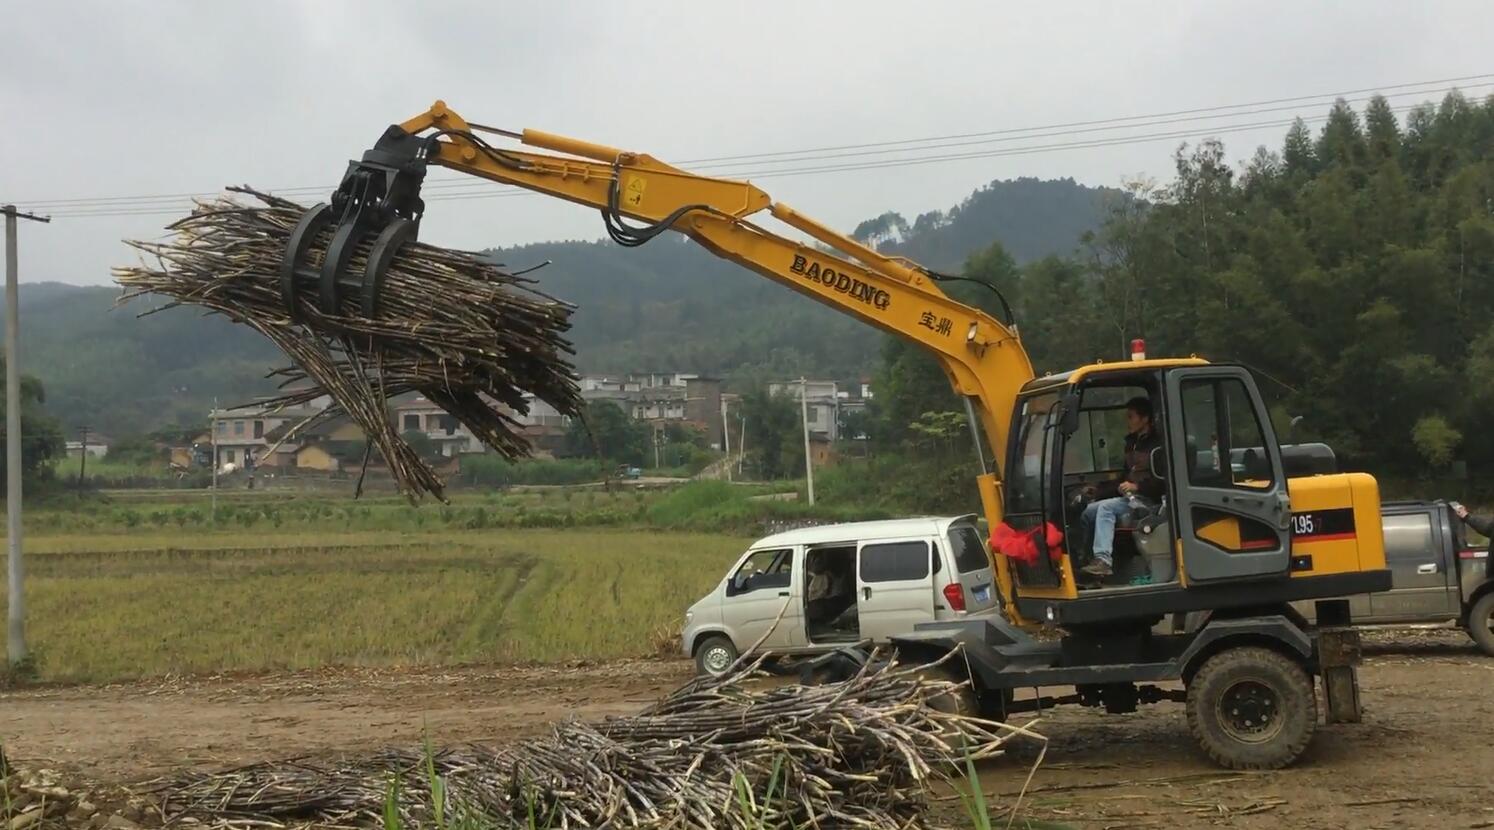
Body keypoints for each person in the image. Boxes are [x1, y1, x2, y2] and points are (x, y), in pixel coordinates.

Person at [1079, 396, 1165, 579]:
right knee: (1089, 511)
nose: (1128, 422)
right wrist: (1098, 491)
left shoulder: (1159, 445)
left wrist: (1137, 487)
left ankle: (1103, 561)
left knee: (1106, 508)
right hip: (1130, 499)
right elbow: (1122, 478)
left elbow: (1163, 482)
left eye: (1131, 417)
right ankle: (1087, 559)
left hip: (1150, 499)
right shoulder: (1132, 443)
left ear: (1145, 418)